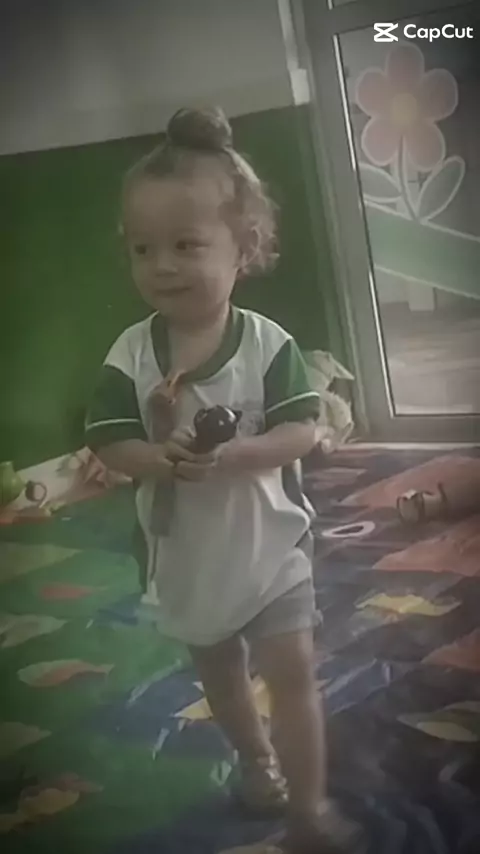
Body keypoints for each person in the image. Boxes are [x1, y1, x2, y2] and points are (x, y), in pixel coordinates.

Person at [85, 107, 364, 853]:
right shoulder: (130, 353)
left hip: (271, 547)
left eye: (185, 245)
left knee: (293, 673)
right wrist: (159, 458)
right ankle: (255, 759)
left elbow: (304, 430)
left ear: (243, 248)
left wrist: (240, 451)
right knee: (222, 677)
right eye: (143, 248)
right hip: (188, 556)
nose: (162, 265)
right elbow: (109, 440)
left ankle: (308, 811)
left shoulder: (268, 345)